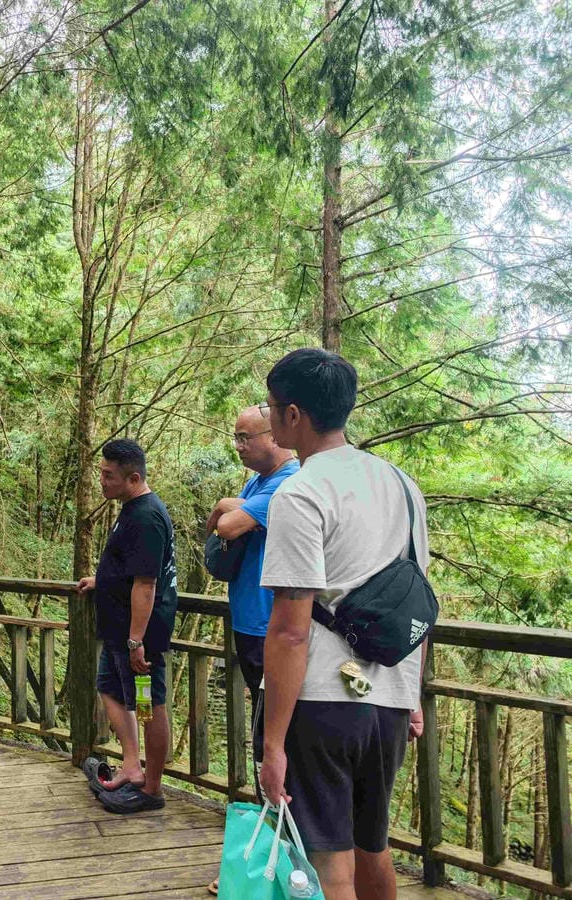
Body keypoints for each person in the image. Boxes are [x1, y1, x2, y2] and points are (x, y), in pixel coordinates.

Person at [257, 348, 427, 900]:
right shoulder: (402, 485)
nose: (269, 413)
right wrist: (413, 694)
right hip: (390, 702)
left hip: (325, 701)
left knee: (328, 859)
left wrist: (274, 745)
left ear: (294, 417)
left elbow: (289, 629)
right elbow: (418, 601)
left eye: (272, 406)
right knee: (372, 847)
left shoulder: (300, 492)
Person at [205, 407, 298, 895]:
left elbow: (225, 528)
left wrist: (226, 507)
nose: (238, 446)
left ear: (276, 435)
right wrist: (228, 504)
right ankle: (271, 866)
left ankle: (277, 870)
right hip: (251, 623)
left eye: (245, 437)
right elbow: (223, 521)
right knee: (267, 739)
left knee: (276, 746)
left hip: (273, 628)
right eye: (234, 437)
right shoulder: (256, 485)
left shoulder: (287, 482)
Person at [76, 439, 178, 814]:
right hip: (119, 629)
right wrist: (101, 580)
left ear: (133, 478)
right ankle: (132, 765)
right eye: (101, 473)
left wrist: (137, 642)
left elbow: (148, 583)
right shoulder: (129, 509)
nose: (101, 482)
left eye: (108, 476)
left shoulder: (147, 516)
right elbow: (131, 569)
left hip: (140, 638)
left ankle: (151, 789)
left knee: (150, 705)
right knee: (109, 689)